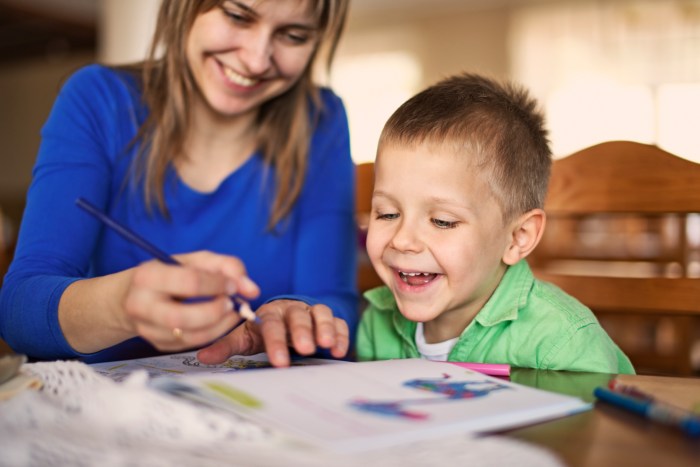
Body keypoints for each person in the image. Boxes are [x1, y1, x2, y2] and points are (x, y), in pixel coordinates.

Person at [0, 0, 357, 367]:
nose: (256, 60)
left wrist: (301, 314)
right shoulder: (97, 99)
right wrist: (120, 305)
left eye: (294, 36)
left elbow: (336, 302)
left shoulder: (321, 120)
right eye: (237, 16)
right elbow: (18, 309)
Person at [356, 73, 634, 374]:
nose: (402, 240)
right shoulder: (376, 322)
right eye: (386, 213)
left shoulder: (562, 343)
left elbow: (597, 421)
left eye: (442, 221)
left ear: (518, 237)